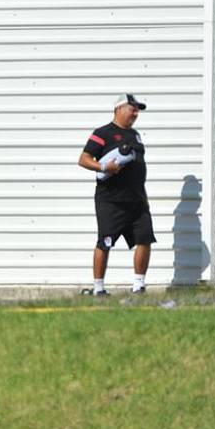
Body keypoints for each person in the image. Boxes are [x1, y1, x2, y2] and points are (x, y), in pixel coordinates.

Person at [78, 93, 154, 295]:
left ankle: (139, 285)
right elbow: (84, 159)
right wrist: (103, 166)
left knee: (145, 239)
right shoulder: (103, 133)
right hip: (111, 200)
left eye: (138, 110)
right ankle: (98, 288)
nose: (136, 113)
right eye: (133, 109)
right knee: (105, 241)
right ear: (119, 109)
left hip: (137, 198)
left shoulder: (135, 135)